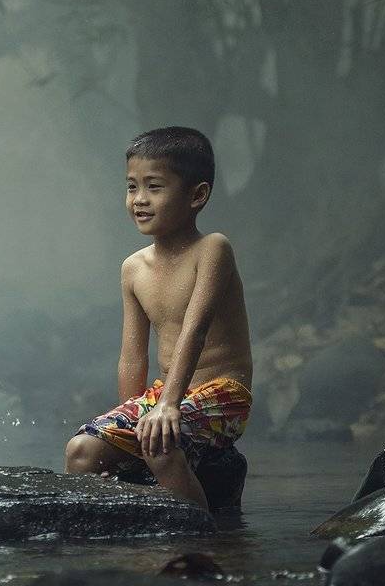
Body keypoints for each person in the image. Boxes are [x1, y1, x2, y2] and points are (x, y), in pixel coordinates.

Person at [63, 127, 252, 511]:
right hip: (163, 394)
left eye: (154, 187)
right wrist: (126, 433)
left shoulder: (212, 249)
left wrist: (167, 407)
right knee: (81, 451)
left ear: (197, 196)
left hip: (223, 395)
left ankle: (201, 541)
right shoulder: (133, 268)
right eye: (132, 187)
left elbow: (194, 331)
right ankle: (125, 533)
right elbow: (133, 357)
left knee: (159, 443)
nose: (139, 200)